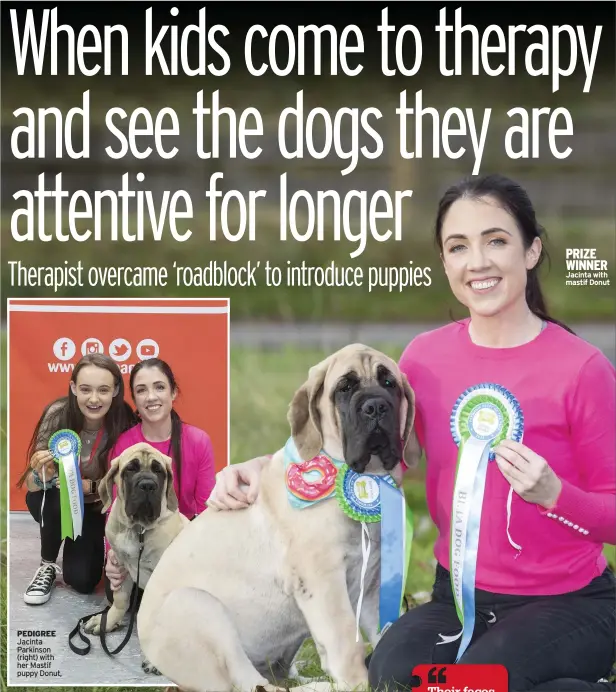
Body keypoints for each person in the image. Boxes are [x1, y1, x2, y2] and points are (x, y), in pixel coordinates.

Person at [205, 174, 616, 691]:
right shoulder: (423, 358)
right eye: (458, 247)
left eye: (497, 241)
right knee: (391, 673)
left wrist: (556, 495)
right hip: (459, 600)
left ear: (531, 251)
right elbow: (369, 442)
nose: (479, 262)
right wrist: (259, 467)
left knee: (477, 680)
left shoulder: (584, 369)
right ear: (446, 264)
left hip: (569, 601)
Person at [17, 353, 137, 605]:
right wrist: (45, 475)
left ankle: (87, 549)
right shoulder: (57, 413)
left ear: (115, 390)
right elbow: (30, 485)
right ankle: (47, 564)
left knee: (82, 580)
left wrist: (90, 487)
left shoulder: (125, 420)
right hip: (55, 504)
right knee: (52, 493)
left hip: (97, 509)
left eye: (103, 390)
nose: (94, 399)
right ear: (73, 388)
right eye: (85, 389)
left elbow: (128, 482)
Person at [104, 357, 216, 594]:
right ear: (134, 399)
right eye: (141, 390)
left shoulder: (198, 441)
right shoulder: (124, 445)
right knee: (119, 596)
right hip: (134, 550)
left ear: (173, 392)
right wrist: (112, 558)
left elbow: (207, 512)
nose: (151, 397)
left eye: (159, 387)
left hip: (179, 545)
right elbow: (116, 508)